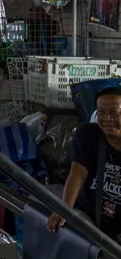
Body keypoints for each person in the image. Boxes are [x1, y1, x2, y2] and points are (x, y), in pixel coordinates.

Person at [48, 87, 121, 239]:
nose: (107, 119)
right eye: (101, 112)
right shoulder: (88, 135)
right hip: (89, 220)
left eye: (115, 112)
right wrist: (65, 209)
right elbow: (78, 173)